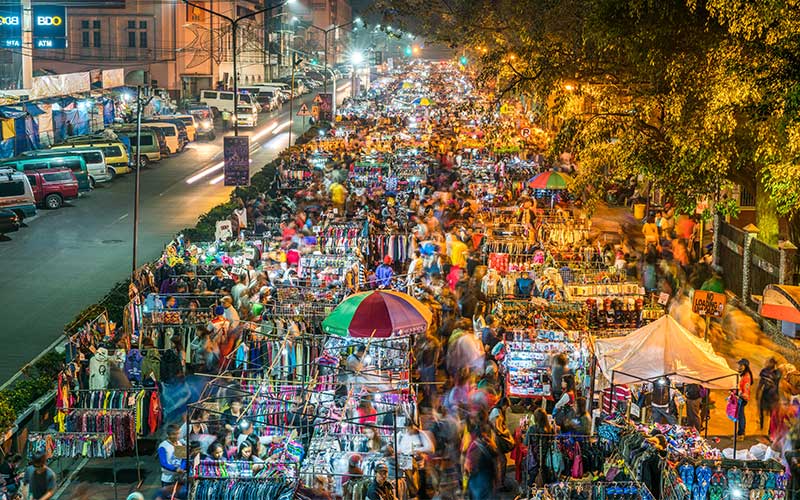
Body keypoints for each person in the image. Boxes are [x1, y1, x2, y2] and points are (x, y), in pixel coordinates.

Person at [758, 357, 781, 431]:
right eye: (769, 362)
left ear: (774, 363)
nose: (770, 364)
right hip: (765, 393)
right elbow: (761, 382)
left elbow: (778, 382)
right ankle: (761, 427)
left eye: (772, 362)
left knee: (773, 413)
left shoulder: (777, 372)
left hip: (774, 395)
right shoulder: (764, 371)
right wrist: (758, 391)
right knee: (761, 410)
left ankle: (771, 430)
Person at [738, 358, 754, 436]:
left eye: (741, 365)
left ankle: (741, 433)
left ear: (745, 366)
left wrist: (741, 394)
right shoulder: (744, 374)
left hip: (742, 398)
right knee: (740, 414)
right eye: (739, 365)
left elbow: (746, 388)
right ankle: (740, 432)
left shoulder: (747, 376)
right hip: (741, 397)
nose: (739, 366)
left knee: (741, 415)